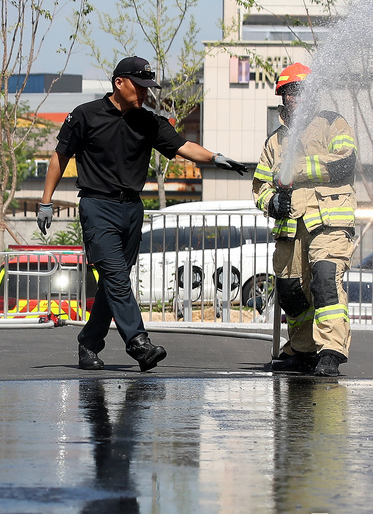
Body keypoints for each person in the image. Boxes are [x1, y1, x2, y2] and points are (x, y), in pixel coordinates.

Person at [36, 56, 249, 372]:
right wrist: (46, 201)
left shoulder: (148, 121)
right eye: (140, 86)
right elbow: (60, 156)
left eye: (149, 87)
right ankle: (139, 342)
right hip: (98, 207)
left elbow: (182, 147)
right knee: (118, 278)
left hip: (132, 209)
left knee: (114, 282)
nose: (146, 93)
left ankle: (89, 344)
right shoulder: (85, 116)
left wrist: (216, 158)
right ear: (119, 83)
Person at [251, 62, 358, 377]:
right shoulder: (275, 141)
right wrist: (274, 203)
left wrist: (294, 170)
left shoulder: (332, 124)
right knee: (291, 292)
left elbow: (344, 164)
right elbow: (259, 188)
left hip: (329, 223)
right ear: (282, 97)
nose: (296, 98)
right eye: (290, 93)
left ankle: (332, 350)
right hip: (290, 228)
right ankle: (302, 349)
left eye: (301, 91)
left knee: (326, 282)